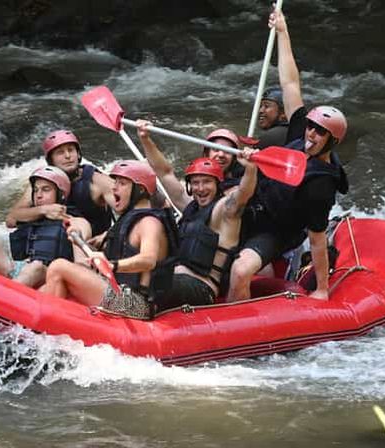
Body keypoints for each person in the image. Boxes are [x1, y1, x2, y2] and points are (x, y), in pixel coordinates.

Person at [227, 8, 349, 302]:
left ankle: (238, 324)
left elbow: (317, 239)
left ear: (332, 141)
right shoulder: (298, 133)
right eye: (310, 128)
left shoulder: (321, 184)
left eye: (320, 133)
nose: (311, 135)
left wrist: (322, 289)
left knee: (241, 271)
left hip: (278, 230)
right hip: (250, 208)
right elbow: (290, 83)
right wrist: (282, 32)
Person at [136, 120, 258, 308]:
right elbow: (165, 172)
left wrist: (251, 168)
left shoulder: (224, 211)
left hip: (202, 289)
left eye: (207, 182)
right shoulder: (190, 206)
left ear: (217, 184)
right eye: (196, 182)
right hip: (174, 279)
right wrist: (145, 139)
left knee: (150, 281)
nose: (200, 188)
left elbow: (244, 193)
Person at [40, 160, 178, 319]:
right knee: (46, 288)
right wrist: (79, 241)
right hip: (119, 290)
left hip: (138, 305)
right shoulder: (128, 220)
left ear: (140, 190)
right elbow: (105, 259)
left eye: (122, 183)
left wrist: (113, 266)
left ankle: (48, 324)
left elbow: (148, 260)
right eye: (115, 182)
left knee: (58, 267)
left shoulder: (149, 222)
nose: (114, 187)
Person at [0, 166, 90, 288]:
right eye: (36, 190)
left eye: (46, 190)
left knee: (36, 266)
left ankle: (3, 298)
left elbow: (80, 265)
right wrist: (43, 210)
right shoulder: (32, 215)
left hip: (48, 276)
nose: (39, 195)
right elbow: (11, 219)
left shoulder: (76, 222)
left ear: (60, 194)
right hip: (20, 270)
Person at [28, 130, 116, 241]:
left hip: (93, 246)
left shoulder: (98, 181)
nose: (68, 156)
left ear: (78, 154)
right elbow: (12, 219)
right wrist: (43, 210)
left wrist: (106, 235)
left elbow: (132, 213)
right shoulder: (43, 182)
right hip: (57, 243)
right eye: (60, 152)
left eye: (71, 150)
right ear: (51, 160)